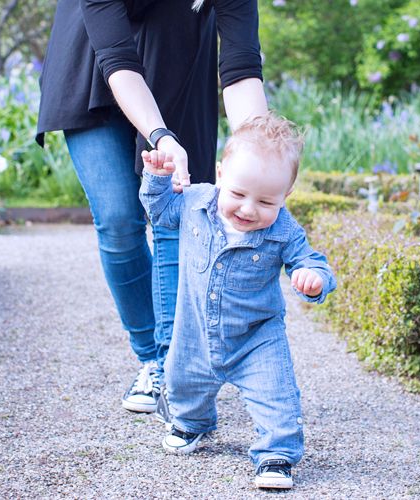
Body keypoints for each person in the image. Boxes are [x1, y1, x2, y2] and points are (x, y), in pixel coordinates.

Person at [36, 0, 268, 417]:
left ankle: (169, 364)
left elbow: (241, 66)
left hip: (178, 66)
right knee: (118, 220)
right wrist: (159, 136)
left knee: (175, 219)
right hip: (94, 58)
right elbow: (117, 58)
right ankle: (149, 356)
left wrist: (261, 158)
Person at [139, 113, 337, 490]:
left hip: (256, 338)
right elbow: (161, 213)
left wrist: (313, 281)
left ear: (285, 196)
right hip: (195, 330)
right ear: (219, 174)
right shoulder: (197, 201)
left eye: (265, 200)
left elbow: (312, 261)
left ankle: (276, 453)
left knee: (277, 398)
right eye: (238, 194)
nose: (248, 209)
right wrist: (157, 178)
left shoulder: (283, 230)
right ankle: (191, 422)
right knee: (184, 386)